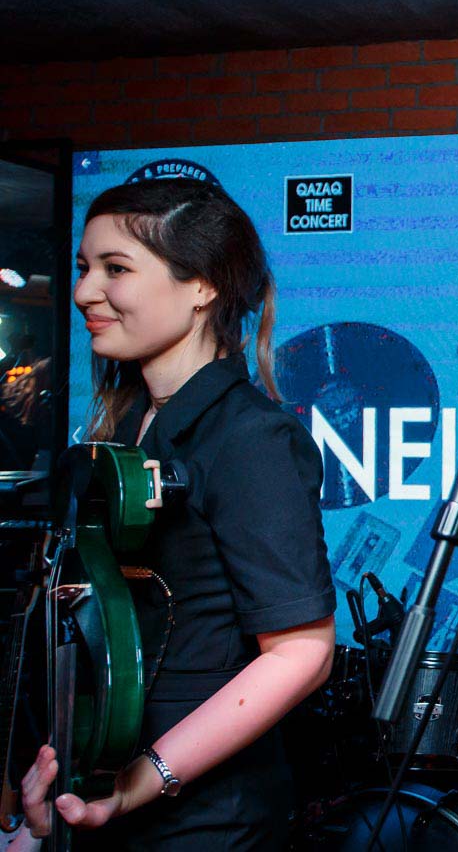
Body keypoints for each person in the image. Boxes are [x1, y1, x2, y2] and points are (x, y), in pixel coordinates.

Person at [21, 177, 336, 849]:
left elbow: (302, 655)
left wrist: (142, 781)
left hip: (206, 825)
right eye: (83, 267)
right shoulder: (126, 427)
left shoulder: (251, 439)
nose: (84, 292)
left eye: (116, 269)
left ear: (201, 286)